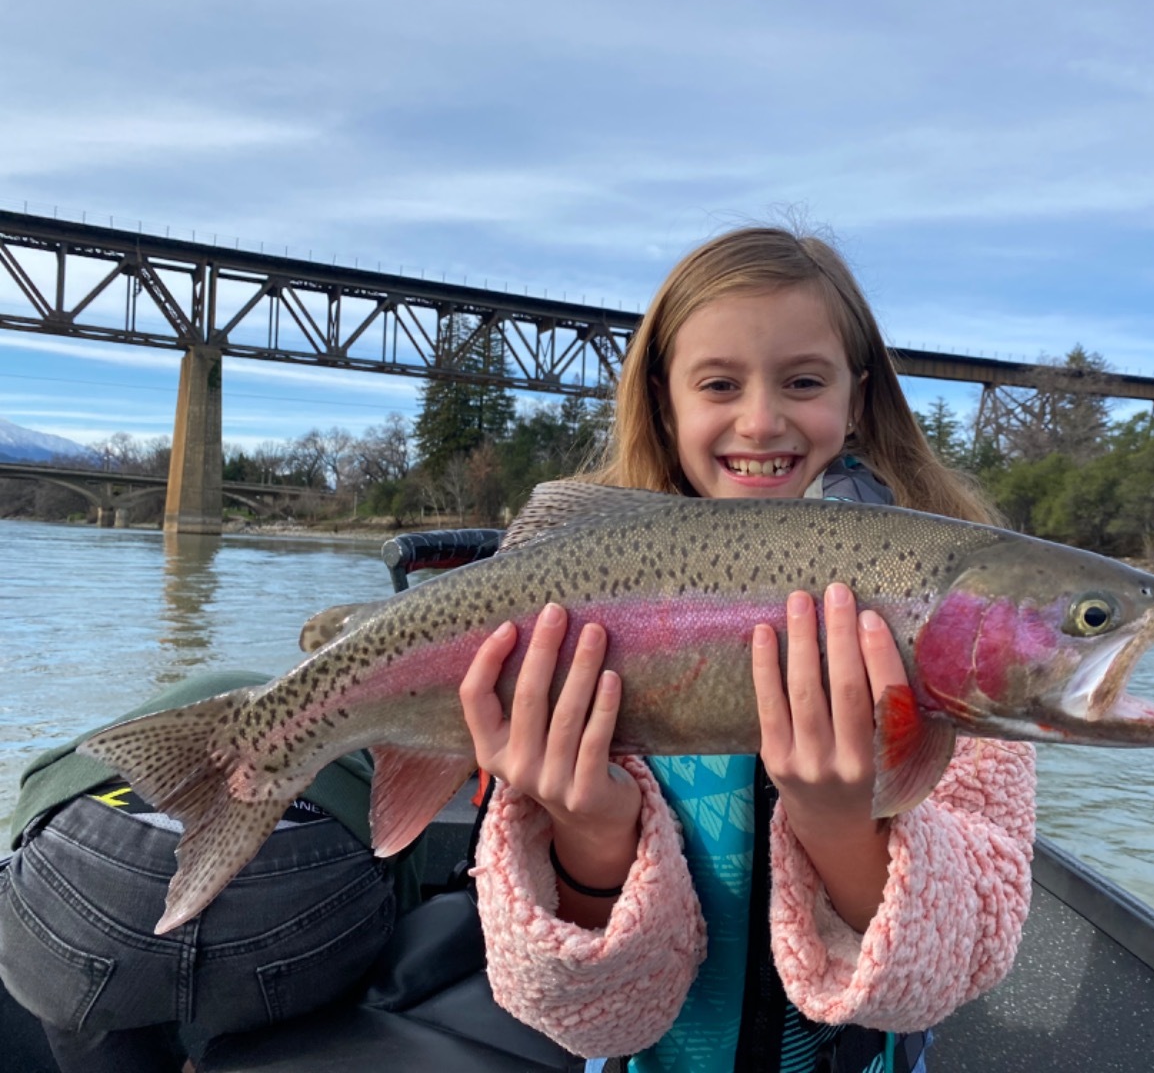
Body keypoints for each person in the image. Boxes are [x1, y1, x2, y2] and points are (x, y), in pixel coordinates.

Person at [459, 227, 1038, 1072]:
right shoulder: (582, 603)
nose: (761, 420)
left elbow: (944, 980)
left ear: (857, 396)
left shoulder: (957, 608)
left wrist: (843, 825)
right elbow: (583, 1023)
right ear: (665, 402)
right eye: (720, 384)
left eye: (803, 381)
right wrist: (589, 834)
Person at [0, 670, 426, 1073]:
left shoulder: (159, 717)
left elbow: (37, 800)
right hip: (304, 863)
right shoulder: (369, 732)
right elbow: (399, 855)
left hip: (93, 839)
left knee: (61, 949)